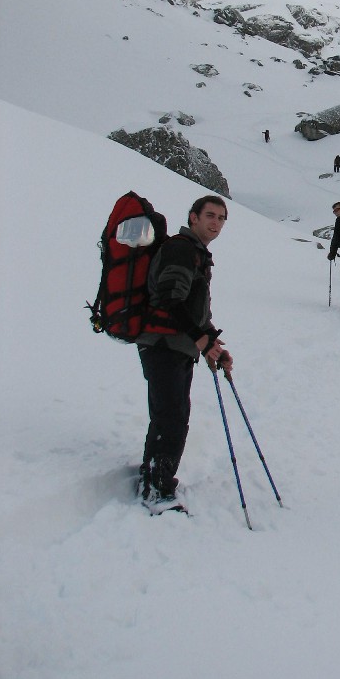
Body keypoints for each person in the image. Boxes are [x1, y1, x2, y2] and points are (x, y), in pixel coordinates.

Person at [136, 195, 233, 501]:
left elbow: (191, 309)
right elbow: (169, 300)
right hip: (163, 345)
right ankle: (155, 489)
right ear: (193, 217)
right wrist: (200, 338)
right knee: (172, 418)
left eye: (221, 218)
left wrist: (210, 343)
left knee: (169, 415)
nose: (215, 223)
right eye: (210, 215)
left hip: (174, 346)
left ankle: (153, 477)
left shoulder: (195, 253)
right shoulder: (181, 249)